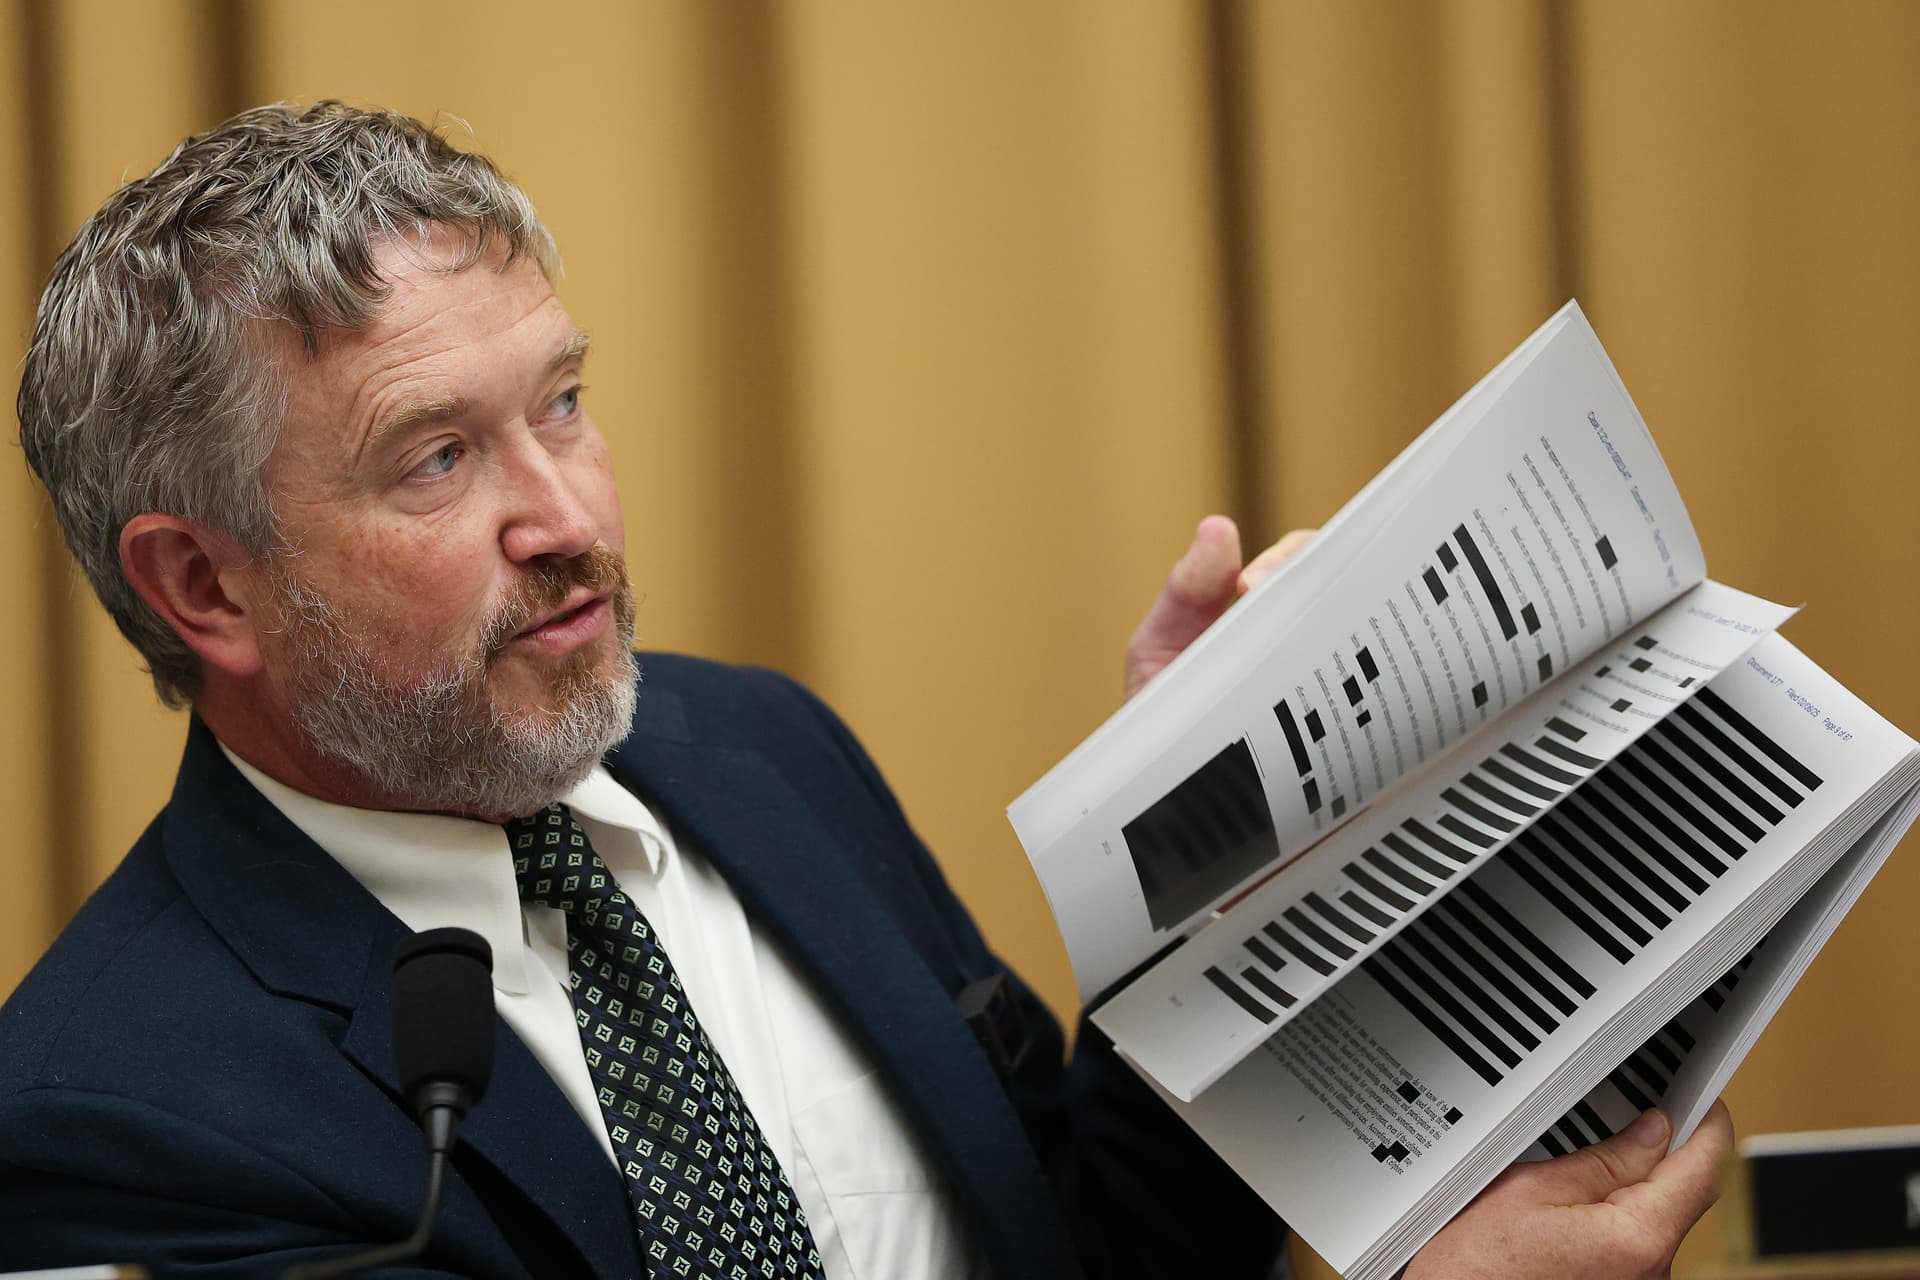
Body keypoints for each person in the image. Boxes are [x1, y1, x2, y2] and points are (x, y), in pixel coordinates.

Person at [0, 101, 1729, 1279]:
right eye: (439, 458)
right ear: (202, 583)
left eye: (569, 403)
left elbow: (1088, 1238)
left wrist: (1198, 826)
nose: (573, 516)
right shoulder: (120, 1118)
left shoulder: (758, 751)